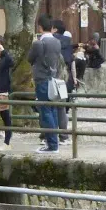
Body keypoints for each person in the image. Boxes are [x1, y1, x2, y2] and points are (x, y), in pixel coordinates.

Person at [28, 15, 63, 154]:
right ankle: (54, 142)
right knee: (52, 110)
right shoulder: (57, 42)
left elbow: (30, 59)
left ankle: (52, 145)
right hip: (52, 79)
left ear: (40, 27)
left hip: (42, 79)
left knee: (45, 112)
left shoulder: (38, 43)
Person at [52, 19, 76, 143]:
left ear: (54, 29)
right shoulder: (68, 43)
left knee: (47, 107)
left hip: (51, 77)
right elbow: (71, 62)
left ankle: (47, 136)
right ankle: (64, 136)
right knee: (61, 107)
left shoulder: (50, 40)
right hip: (63, 78)